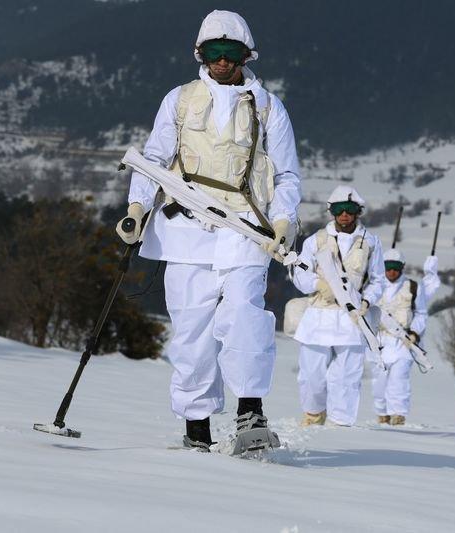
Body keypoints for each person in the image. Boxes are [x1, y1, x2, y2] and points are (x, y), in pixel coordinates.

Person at [115, 10, 301, 451]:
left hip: (244, 228)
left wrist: (284, 220)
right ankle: (196, 426)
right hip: (186, 229)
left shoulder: (270, 107)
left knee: (245, 316)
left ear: (245, 54)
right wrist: (138, 206)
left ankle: (250, 412)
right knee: (192, 331)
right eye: (214, 51)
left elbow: (287, 175)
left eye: (230, 51)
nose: (222, 60)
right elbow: (154, 159)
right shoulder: (178, 100)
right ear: (201, 54)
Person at [291, 186, 386, 427]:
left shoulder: (371, 243)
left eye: (350, 210)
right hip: (319, 314)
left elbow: (378, 280)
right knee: (311, 375)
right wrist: (318, 284)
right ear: (331, 211)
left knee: (346, 377)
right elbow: (300, 274)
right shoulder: (316, 240)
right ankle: (313, 415)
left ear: (357, 212)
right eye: (339, 209)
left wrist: (367, 300)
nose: (344, 215)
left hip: (352, 319)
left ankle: (340, 423)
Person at [370, 248, 428, 425]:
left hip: (403, 342)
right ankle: (382, 414)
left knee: (399, 380)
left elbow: (422, 313)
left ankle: (398, 415)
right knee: (378, 381)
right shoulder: (374, 285)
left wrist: (415, 332)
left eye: (396, 267)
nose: (392, 271)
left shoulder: (413, 286)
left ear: (402, 268)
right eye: (388, 267)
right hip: (379, 340)